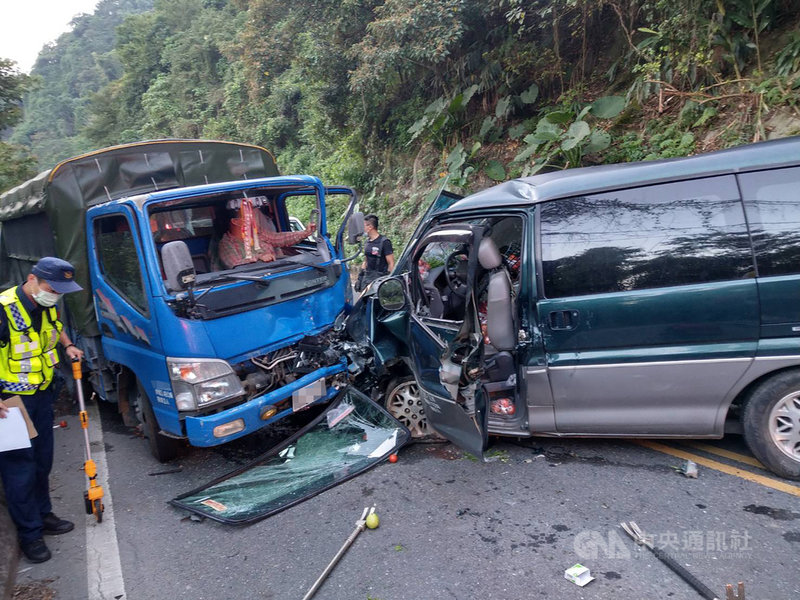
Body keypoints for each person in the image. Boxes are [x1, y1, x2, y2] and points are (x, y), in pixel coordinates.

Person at [0, 257, 85, 563]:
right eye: (52, 287)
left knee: (41, 461)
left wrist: (67, 345)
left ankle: (43, 514)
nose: (56, 295)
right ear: (32, 279)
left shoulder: (46, 304)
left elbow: (54, 328)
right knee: (18, 468)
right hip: (9, 404)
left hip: (40, 396)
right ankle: (30, 534)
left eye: (61, 290)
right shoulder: (4, 308)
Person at [217, 203, 316, 268]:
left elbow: (278, 238)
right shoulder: (226, 243)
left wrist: (305, 233)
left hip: (278, 272)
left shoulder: (257, 233)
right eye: (249, 216)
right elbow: (235, 264)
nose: (255, 219)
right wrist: (259, 257)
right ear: (235, 221)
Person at [357, 214, 395, 290]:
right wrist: (360, 277)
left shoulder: (384, 242)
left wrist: (391, 281)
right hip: (367, 277)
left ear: (370, 227)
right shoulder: (367, 242)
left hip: (379, 278)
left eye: (364, 226)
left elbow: (391, 263)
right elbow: (366, 260)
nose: (362, 229)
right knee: (363, 300)